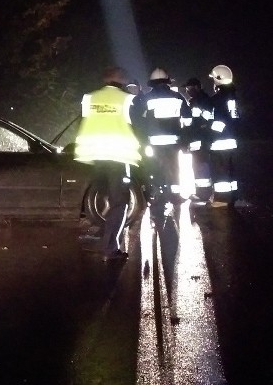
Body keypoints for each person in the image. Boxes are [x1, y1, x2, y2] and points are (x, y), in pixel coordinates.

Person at [75, 66, 142, 263]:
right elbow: (135, 127)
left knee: (100, 200)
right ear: (121, 80)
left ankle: (105, 238)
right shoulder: (126, 99)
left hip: (95, 158)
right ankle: (110, 248)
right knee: (119, 203)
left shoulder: (90, 98)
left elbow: (83, 123)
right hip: (119, 157)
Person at [138, 68, 192, 218]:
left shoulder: (147, 99)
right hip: (173, 142)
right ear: (167, 82)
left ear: (152, 83)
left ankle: (156, 195)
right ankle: (174, 196)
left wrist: (143, 138)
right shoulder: (177, 97)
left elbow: (139, 120)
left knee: (155, 169)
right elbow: (187, 120)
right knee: (174, 169)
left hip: (153, 143)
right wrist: (185, 139)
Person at [208, 64, 240, 207]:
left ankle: (222, 199)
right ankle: (233, 196)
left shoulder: (218, 99)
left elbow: (219, 121)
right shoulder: (232, 97)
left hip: (220, 141)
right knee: (230, 171)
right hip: (232, 140)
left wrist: (210, 136)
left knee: (221, 173)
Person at [182, 77, 214, 201]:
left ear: (196, 87)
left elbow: (207, 118)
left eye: (188, 88)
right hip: (196, 139)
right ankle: (202, 193)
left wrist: (198, 110)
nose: (187, 91)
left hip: (202, 139)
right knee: (198, 166)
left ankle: (203, 194)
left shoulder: (203, 101)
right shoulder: (195, 101)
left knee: (202, 166)